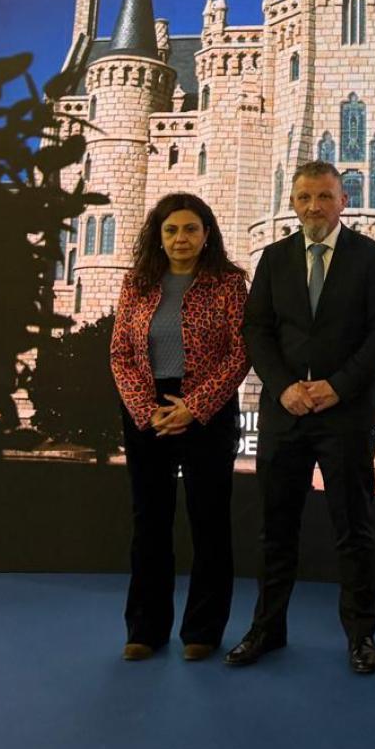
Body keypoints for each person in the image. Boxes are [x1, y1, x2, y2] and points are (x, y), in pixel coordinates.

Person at [225, 161, 375, 673]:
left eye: (324, 197)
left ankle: (361, 637)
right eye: (304, 197)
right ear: (294, 202)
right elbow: (257, 330)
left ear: (342, 200)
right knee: (275, 530)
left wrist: (337, 386)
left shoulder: (371, 258)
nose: (314, 207)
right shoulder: (276, 259)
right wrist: (283, 388)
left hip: (344, 415)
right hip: (287, 415)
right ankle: (266, 629)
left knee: (354, 529)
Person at [109, 192, 250, 662]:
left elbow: (239, 353)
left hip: (206, 413)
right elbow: (120, 355)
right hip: (147, 414)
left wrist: (195, 405)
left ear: (206, 234)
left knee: (209, 522)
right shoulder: (137, 283)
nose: (180, 238)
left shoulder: (229, 284)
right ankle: (145, 629)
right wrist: (145, 409)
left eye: (190, 229)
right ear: (159, 236)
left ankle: (203, 630)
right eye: (171, 230)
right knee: (149, 523)